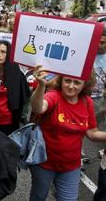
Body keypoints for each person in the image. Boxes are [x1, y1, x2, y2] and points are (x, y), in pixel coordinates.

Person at [30, 66, 106, 200]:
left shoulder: (87, 102)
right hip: (44, 163)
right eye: (67, 81)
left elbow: (92, 133)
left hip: (71, 166)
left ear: (85, 84)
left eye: (77, 83)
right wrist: (41, 86)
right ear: (61, 80)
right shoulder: (53, 96)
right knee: (38, 197)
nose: (71, 86)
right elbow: (38, 107)